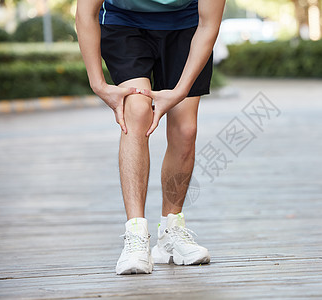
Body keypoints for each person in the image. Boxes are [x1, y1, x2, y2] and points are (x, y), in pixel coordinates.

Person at [76, 0, 226, 275]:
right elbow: (86, 13)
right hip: (125, 23)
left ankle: (172, 231)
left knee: (185, 129)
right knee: (136, 110)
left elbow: (209, 24)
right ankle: (136, 234)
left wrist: (180, 91)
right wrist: (98, 84)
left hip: (187, 25)